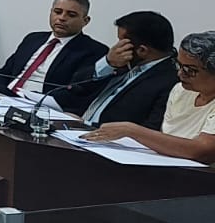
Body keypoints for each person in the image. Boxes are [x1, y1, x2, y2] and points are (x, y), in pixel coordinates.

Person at [82, 31, 215, 165]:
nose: (180, 74)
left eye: (190, 70)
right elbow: (167, 137)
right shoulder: (180, 90)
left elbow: (201, 151)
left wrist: (131, 130)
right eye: (179, 65)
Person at [54, 10, 179, 129]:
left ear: (142, 50)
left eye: (121, 41)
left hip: (100, 137)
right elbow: (77, 86)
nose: (116, 47)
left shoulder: (170, 81)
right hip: (75, 125)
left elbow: (148, 129)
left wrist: (86, 125)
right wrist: (107, 63)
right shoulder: (122, 63)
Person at [0, 0, 108, 97]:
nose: (62, 18)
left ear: (85, 21)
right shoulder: (33, 39)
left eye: (71, 15)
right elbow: (3, 73)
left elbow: (75, 92)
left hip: (37, 103)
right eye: (57, 12)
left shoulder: (93, 50)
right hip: (4, 96)